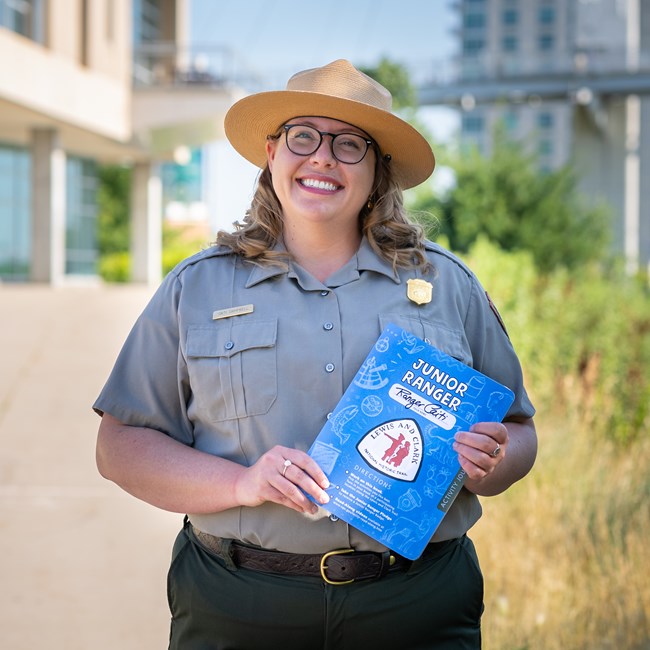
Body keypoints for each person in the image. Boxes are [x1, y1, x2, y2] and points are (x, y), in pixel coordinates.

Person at [94, 59, 537, 649]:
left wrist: (495, 461)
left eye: (349, 144)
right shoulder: (196, 288)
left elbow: (518, 432)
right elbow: (121, 445)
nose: (323, 157)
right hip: (240, 604)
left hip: (417, 605)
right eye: (304, 136)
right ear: (272, 154)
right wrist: (243, 484)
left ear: (377, 172)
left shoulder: (448, 284)